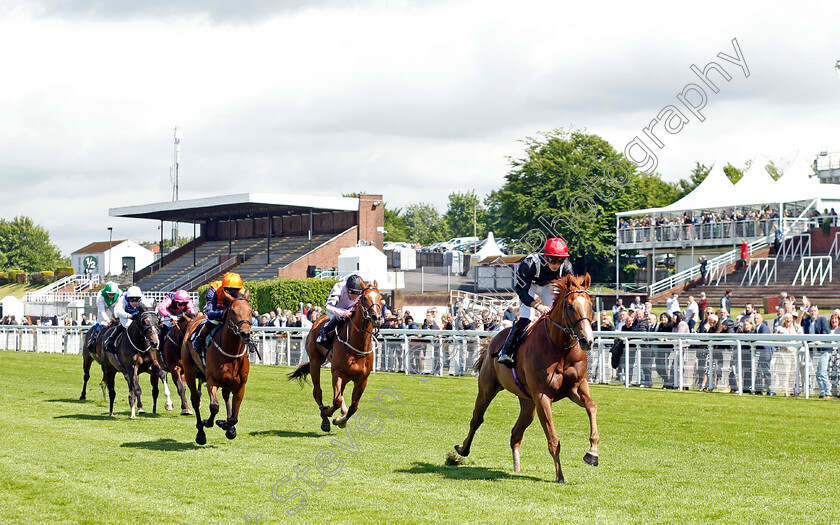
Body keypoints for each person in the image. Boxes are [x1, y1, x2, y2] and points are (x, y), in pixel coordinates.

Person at [497, 237, 573, 368]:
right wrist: (538, 306)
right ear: (545, 256)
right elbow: (521, 291)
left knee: (556, 315)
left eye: (560, 260)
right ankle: (505, 351)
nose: (556, 264)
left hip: (548, 286)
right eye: (553, 260)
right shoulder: (530, 263)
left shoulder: (566, 266)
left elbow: (571, 289)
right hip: (529, 287)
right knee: (527, 318)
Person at [193, 272, 245, 353]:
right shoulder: (214, 289)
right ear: (223, 287)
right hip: (216, 309)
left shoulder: (242, 292)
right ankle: (199, 338)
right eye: (229, 290)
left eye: (236, 290)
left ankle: (249, 340)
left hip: (231, 311)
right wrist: (222, 313)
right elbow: (210, 313)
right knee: (214, 321)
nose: (233, 293)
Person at [315, 274, 365, 351]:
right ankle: (324, 333)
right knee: (340, 319)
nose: (355, 296)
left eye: (358, 294)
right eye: (352, 293)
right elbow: (328, 306)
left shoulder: (362, 290)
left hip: (350, 309)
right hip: (335, 310)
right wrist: (343, 313)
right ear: (347, 288)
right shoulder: (339, 287)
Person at [104, 285, 150, 353]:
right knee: (126, 326)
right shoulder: (123, 298)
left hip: (137, 315)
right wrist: (128, 316)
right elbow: (119, 311)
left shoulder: (142, 298)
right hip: (126, 316)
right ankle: (110, 340)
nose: (134, 303)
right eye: (131, 300)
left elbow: (149, 308)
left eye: (136, 300)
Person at [801, 305, 831, 399]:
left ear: (817, 312)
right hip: (813, 350)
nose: (813, 313)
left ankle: (828, 392)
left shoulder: (822, 320)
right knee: (817, 373)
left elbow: (826, 332)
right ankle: (822, 393)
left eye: (814, 311)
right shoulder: (807, 322)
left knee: (822, 372)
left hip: (822, 349)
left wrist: (820, 340)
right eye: (811, 311)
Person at [87, 281, 122, 353]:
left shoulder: (120, 293)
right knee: (101, 323)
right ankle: (92, 343)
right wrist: (107, 321)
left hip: (114, 307)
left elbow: (118, 307)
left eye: (113, 294)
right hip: (104, 309)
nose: (111, 296)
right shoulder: (100, 295)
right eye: (109, 294)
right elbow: (102, 310)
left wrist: (116, 318)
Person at [774, 312, 802, 396]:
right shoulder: (780, 329)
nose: (788, 319)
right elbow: (775, 339)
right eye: (786, 318)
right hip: (784, 354)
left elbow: (800, 337)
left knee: (794, 372)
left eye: (789, 317)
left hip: (794, 353)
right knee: (785, 372)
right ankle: (785, 391)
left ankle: (794, 390)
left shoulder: (795, 328)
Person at [752, 313, 773, 395]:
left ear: (761, 319)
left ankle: (769, 389)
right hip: (762, 353)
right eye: (755, 318)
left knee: (766, 371)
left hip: (766, 352)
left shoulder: (764, 327)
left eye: (757, 318)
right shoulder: (757, 328)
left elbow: (761, 339)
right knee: (759, 371)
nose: (756, 320)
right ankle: (759, 389)